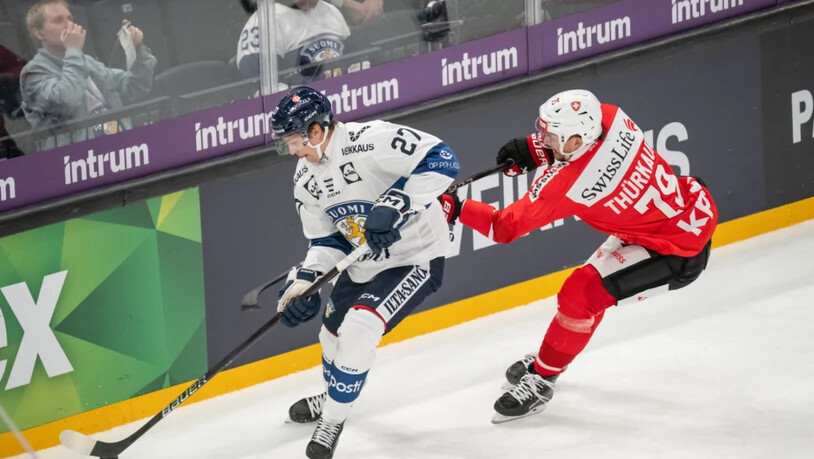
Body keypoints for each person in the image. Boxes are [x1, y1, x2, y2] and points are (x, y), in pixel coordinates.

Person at [439, 89, 718, 423]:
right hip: (683, 209)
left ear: (575, 140)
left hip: (676, 250)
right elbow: (584, 145)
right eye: (543, 132)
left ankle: (543, 379)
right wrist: (536, 149)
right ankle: (553, 357)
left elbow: (504, 228)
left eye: (552, 137)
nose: (546, 140)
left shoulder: (567, 184)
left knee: (581, 294)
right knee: (586, 296)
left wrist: (456, 207)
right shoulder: (612, 117)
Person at [271, 86, 459, 458]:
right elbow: (327, 242)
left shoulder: (370, 140)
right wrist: (302, 285)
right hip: (363, 264)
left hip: (414, 256)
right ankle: (335, 393)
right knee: (331, 336)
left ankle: (333, 420)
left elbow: (442, 159)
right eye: (285, 144)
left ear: (316, 129)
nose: (291, 151)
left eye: (294, 141)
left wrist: (396, 202)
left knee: (359, 329)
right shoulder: (304, 179)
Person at [19, 0, 156, 149]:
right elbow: (67, 99)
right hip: (77, 162)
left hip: (122, 149)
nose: (69, 24)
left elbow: (134, 89)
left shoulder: (87, 61)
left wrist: (140, 52)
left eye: (70, 19)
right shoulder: (32, 73)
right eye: (58, 20)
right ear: (39, 33)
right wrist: (73, 51)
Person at [236, 0, 351, 81]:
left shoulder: (331, 11)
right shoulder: (265, 20)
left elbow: (351, 62)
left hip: (342, 98)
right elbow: (256, 84)